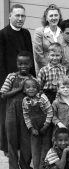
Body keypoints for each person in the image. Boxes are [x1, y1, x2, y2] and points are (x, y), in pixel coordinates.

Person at [0, 4, 34, 156]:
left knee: (23, 114)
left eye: (22, 16)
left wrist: (32, 79)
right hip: (9, 80)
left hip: (25, 79)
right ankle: (7, 147)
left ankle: (20, 144)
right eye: (17, 15)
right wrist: (5, 85)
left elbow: (30, 57)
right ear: (10, 16)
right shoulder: (2, 34)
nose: (20, 19)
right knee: (7, 117)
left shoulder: (26, 33)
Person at [0, 51, 34, 169]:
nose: (23, 66)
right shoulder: (11, 76)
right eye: (20, 63)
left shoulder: (33, 80)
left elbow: (36, 97)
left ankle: (25, 167)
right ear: (17, 64)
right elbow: (3, 95)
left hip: (27, 114)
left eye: (26, 64)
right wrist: (19, 89)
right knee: (12, 141)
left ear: (30, 64)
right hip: (11, 112)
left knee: (26, 141)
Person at [22, 79, 53, 169]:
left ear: (38, 88)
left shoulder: (43, 97)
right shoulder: (25, 100)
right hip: (34, 128)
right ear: (24, 90)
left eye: (34, 87)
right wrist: (31, 128)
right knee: (35, 149)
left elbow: (50, 112)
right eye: (28, 87)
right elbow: (26, 115)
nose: (31, 89)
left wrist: (46, 126)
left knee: (46, 148)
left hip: (45, 127)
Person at [33, 4, 63, 74]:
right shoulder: (39, 32)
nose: (54, 18)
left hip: (61, 71)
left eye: (56, 15)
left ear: (59, 17)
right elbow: (38, 56)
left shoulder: (62, 32)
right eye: (51, 16)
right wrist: (51, 69)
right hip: (45, 71)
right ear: (46, 18)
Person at [52, 76, 69, 145]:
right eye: (63, 87)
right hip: (60, 130)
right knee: (59, 147)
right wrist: (59, 123)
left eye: (68, 87)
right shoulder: (56, 102)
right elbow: (53, 116)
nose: (65, 89)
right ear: (58, 89)